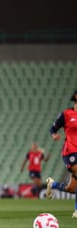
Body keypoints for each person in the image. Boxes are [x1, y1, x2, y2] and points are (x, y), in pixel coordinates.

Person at [46, 89, 77, 218]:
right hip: (70, 151)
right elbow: (53, 128)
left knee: (71, 189)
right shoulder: (66, 114)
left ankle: (52, 184)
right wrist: (54, 134)